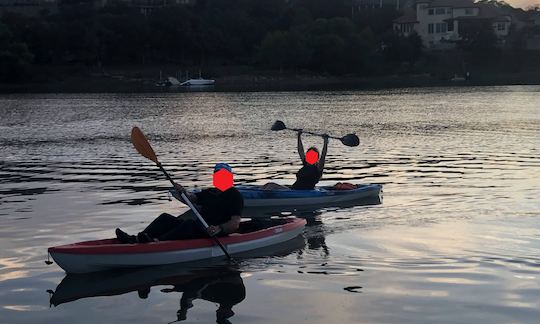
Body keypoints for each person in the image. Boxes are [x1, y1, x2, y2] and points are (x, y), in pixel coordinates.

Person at [115, 163, 243, 243]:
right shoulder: (210, 192)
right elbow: (192, 198)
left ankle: (157, 242)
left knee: (189, 224)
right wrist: (182, 191)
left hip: (215, 233)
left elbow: (235, 223)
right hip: (200, 228)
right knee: (165, 218)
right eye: (217, 174)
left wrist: (219, 228)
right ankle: (137, 239)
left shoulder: (234, 196)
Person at [262, 130, 329, 190]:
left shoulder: (317, 169)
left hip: (299, 192)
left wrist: (325, 142)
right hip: (293, 189)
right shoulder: (306, 164)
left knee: (270, 186)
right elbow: (300, 150)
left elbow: (323, 156)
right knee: (267, 185)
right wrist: (299, 136)